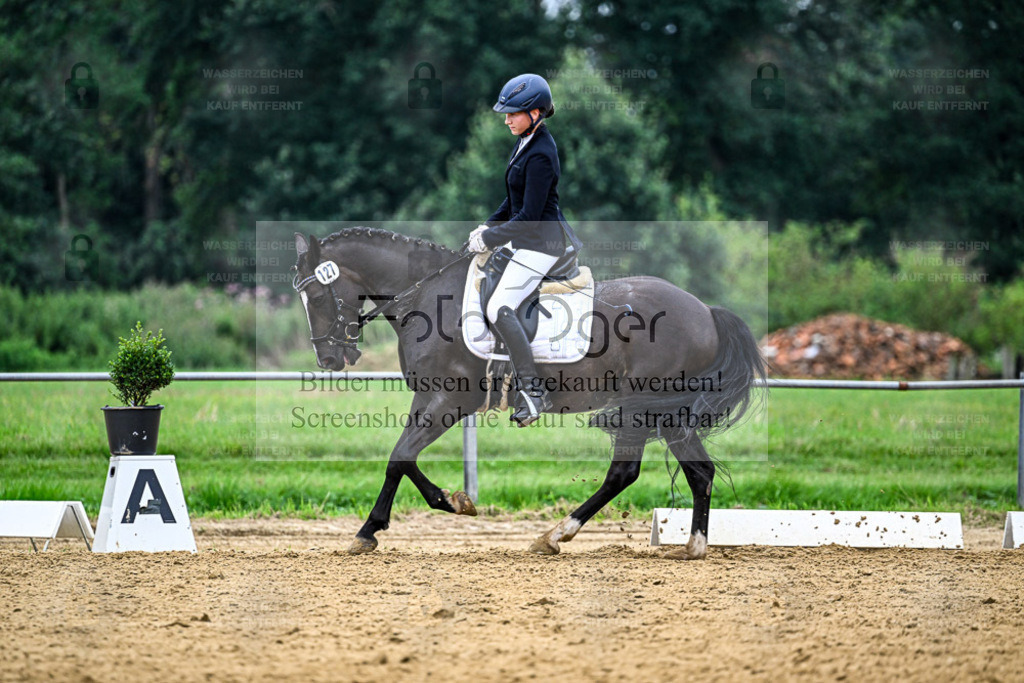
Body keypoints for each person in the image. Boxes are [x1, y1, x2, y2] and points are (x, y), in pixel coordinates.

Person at [467, 73, 579, 427]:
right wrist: (487, 225)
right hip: (525, 240)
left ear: (535, 112)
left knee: (500, 307)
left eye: (513, 113)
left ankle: (533, 392)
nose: (506, 119)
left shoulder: (542, 153)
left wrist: (491, 239)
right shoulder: (526, 141)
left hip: (541, 245)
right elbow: (512, 199)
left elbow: (529, 216)